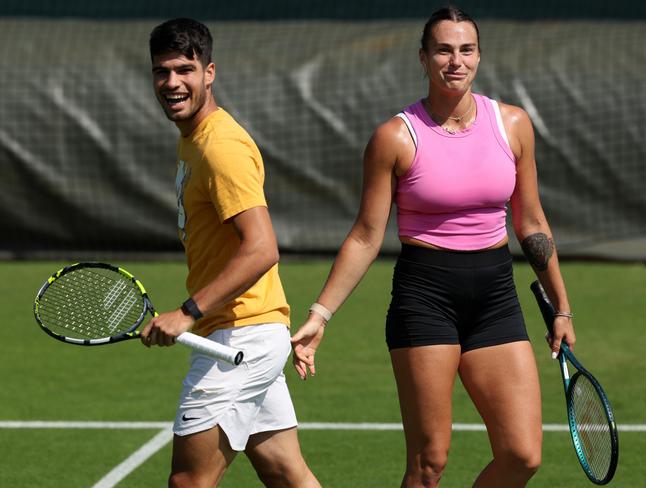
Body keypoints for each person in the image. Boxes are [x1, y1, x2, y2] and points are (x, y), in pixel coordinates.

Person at [291, 6, 576, 487]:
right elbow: (365, 235)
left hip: (496, 298)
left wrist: (562, 308)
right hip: (425, 300)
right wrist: (320, 315)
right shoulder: (394, 138)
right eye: (443, 49)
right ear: (423, 58)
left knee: (523, 455)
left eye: (466, 50)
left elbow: (531, 222)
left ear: (480, 57)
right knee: (429, 464)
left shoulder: (513, 125)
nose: (455, 60)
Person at [141, 18, 320, 488]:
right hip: (248, 334)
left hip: (237, 340)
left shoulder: (220, 147)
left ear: (210, 72)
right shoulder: (194, 142)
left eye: (185, 69)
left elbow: (262, 248)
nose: (173, 83)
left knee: (188, 481)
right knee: (286, 473)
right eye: (162, 72)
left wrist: (188, 311)